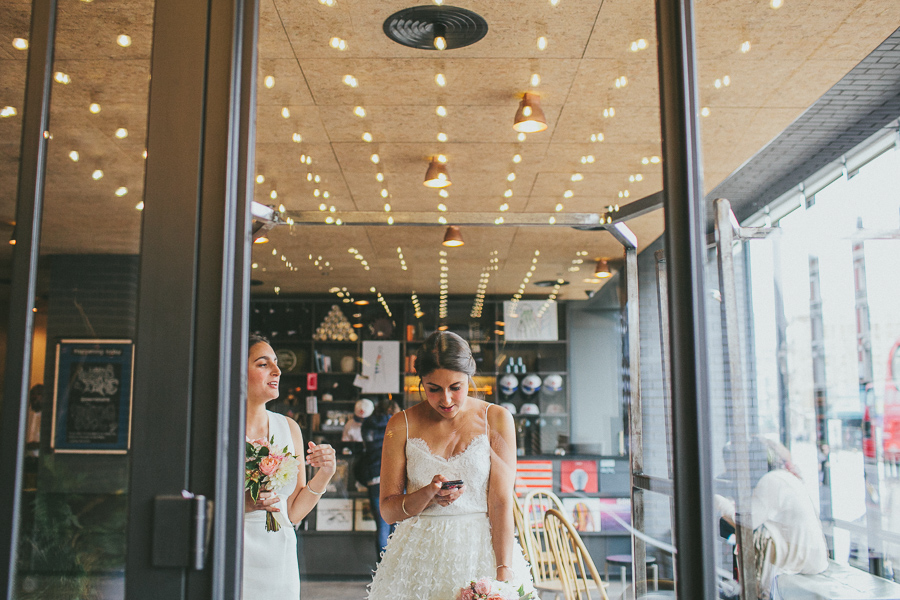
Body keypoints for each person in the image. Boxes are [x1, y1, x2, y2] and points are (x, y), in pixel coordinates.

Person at [367, 331, 531, 600]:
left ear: (469, 377)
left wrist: (503, 574)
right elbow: (388, 511)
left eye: (456, 387)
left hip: (483, 552)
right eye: (433, 389)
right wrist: (427, 494)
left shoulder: (497, 418)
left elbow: (501, 502)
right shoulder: (400, 424)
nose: (446, 400)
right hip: (416, 562)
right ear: (421, 382)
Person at [244, 335, 336, 600]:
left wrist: (325, 474)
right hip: (234, 549)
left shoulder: (289, 427)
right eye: (263, 364)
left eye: (276, 363)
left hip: (279, 556)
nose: (277, 370)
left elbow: (293, 512)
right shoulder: (220, 426)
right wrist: (245, 504)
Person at [715, 437, 827, 599]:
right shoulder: (783, 477)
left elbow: (747, 522)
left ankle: (751, 592)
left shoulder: (771, 481)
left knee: (756, 536)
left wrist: (718, 502)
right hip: (810, 556)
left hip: (803, 560)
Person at [359, 397, 401, 559]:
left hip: (375, 476)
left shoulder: (368, 424)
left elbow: (367, 447)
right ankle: (395, 566)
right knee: (397, 524)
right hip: (396, 476)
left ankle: (382, 567)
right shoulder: (398, 423)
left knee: (382, 524)